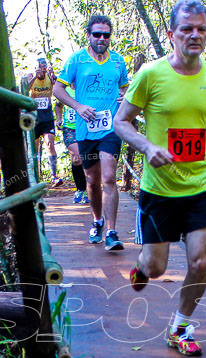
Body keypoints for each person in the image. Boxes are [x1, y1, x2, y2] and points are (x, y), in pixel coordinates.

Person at [114, 0, 206, 356]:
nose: (194, 35)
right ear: (171, 34)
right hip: (159, 189)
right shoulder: (151, 74)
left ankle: (179, 327)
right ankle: (142, 267)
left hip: (198, 186)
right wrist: (147, 147)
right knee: (156, 268)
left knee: (200, 260)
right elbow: (121, 121)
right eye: (186, 29)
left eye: (200, 29)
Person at [54, 15, 129, 251]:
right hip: (85, 129)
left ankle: (112, 232)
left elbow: (126, 87)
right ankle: (97, 221)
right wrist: (78, 107)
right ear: (88, 35)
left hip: (110, 128)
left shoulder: (118, 62)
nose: (101, 39)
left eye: (106, 35)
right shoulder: (77, 60)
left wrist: (125, 97)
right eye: (97, 34)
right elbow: (57, 88)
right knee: (93, 181)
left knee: (108, 178)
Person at [27, 58, 62, 185]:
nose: (42, 71)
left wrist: (54, 77)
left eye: (44, 68)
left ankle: (54, 175)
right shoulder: (30, 77)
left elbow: (59, 89)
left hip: (47, 117)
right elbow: (25, 90)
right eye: (39, 68)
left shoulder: (50, 77)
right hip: (34, 118)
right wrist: (34, 77)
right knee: (34, 148)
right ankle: (34, 178)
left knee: (50, 144)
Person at [56, 86, 89, 204]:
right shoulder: (64, 89)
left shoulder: (86, 87)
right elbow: (58, 105)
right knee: (76, 157)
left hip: (86, 127)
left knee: (87, 158)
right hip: (70, 129)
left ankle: (88, 189)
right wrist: (58, 119)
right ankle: (80, 189)